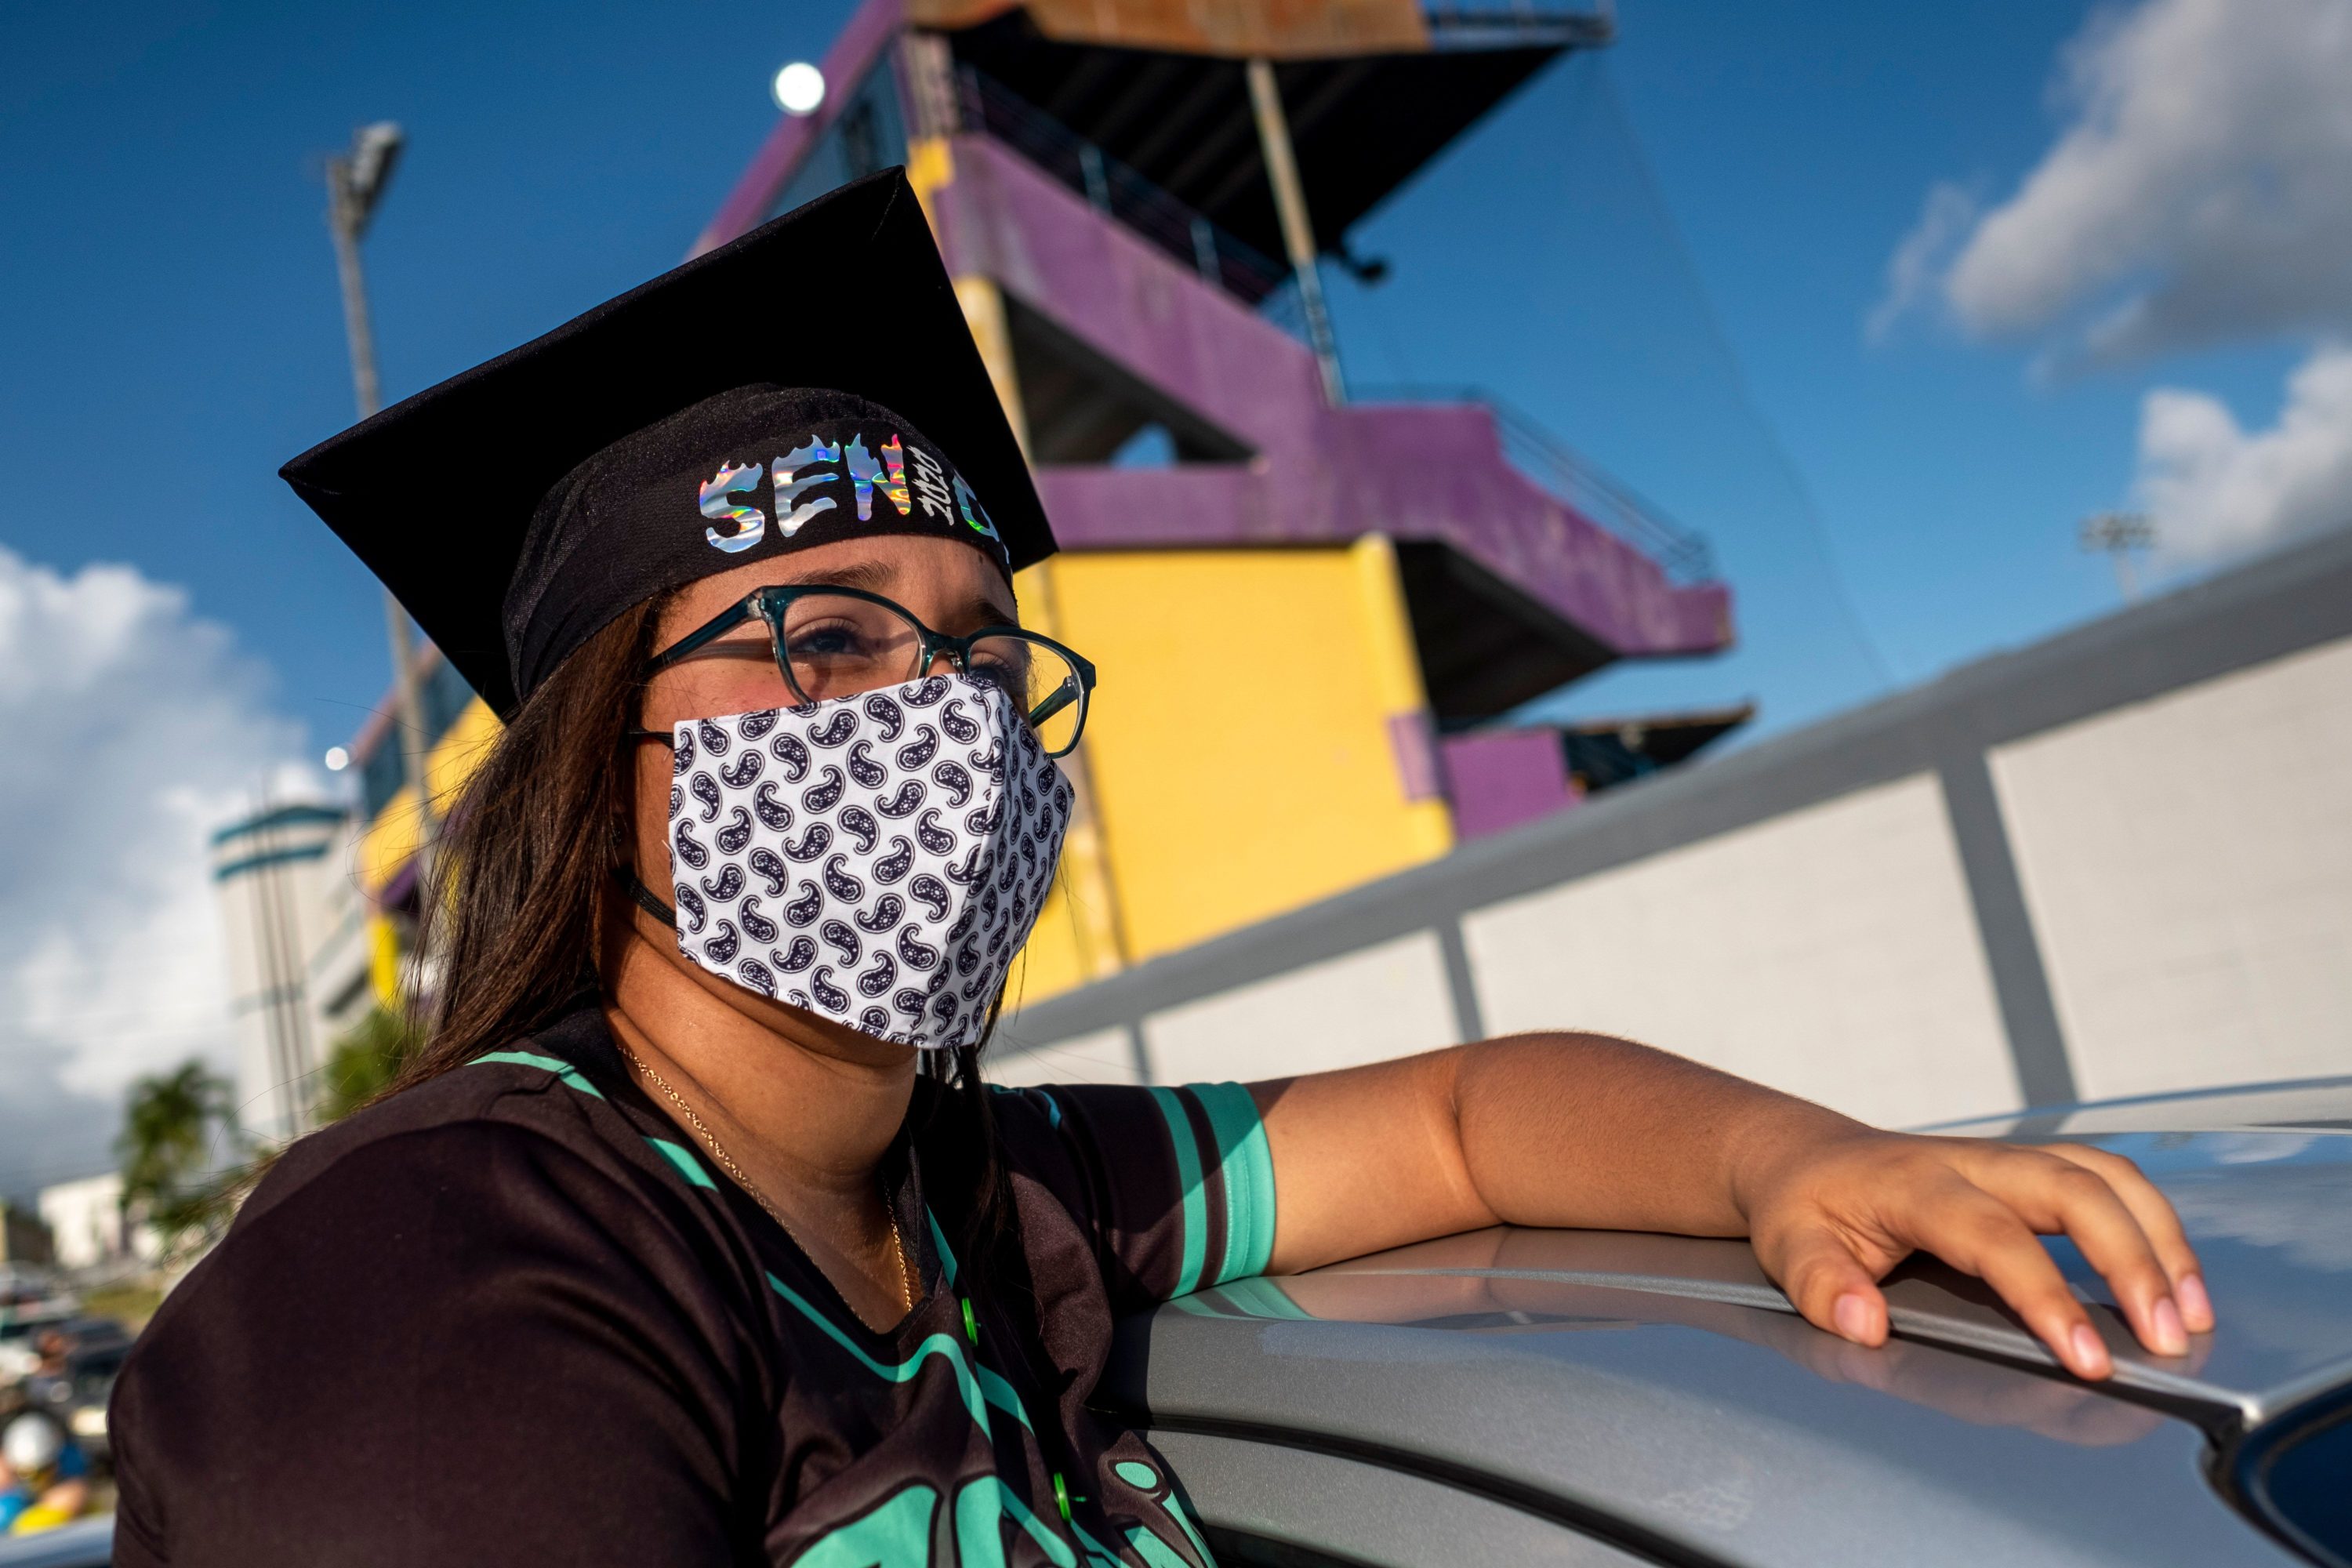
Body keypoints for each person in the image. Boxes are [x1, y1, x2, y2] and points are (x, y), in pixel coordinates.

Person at [109, 171, 2212, 1567]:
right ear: (605, 759)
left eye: (982, 651)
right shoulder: (448, 1272)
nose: (934, 713)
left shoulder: (988, 1198)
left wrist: (1790, 1166)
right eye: (826, 637)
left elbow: (1470, 1120)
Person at [0, 1413, 90, 1535]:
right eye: (22, 1473)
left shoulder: (70, 1497)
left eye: (37, 1474)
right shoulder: (9, 1505)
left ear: (54, 1466)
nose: (29, 1481)